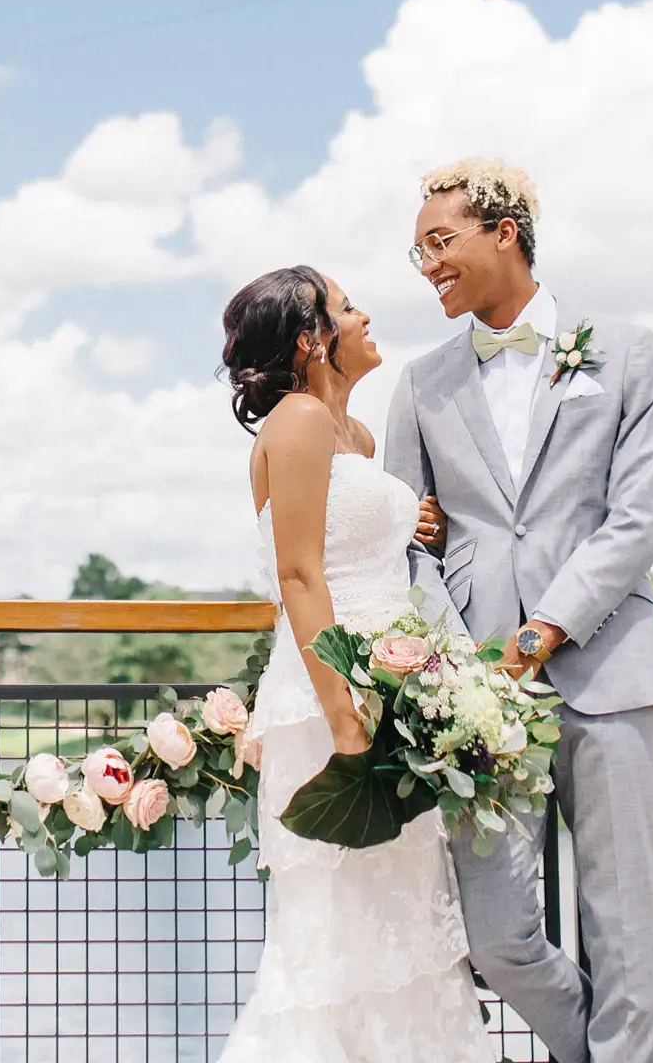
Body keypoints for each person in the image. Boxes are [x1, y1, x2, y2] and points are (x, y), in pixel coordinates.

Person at [385, 158, 653, 1063]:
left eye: (441, 241)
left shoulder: (626, 352)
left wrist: (546, 627)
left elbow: (640, 518)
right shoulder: (422, 383)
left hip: (609, 663)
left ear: (502, 231)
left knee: (626, 928)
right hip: (477, 697)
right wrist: (460, 665)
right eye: (418, 250)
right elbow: (402, 540)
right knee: (497, 934)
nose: (427, 264)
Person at [217, 265, 493, 1063]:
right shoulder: (298, 419)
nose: (365, 314)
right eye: (346, 307)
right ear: (311, 340)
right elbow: (302, 575)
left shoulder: (358, 438)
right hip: (331, 702)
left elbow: (365, 539)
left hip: (399, 698)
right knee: (333, 940)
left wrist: (422, 522)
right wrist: (345, 718)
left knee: (407, 928)